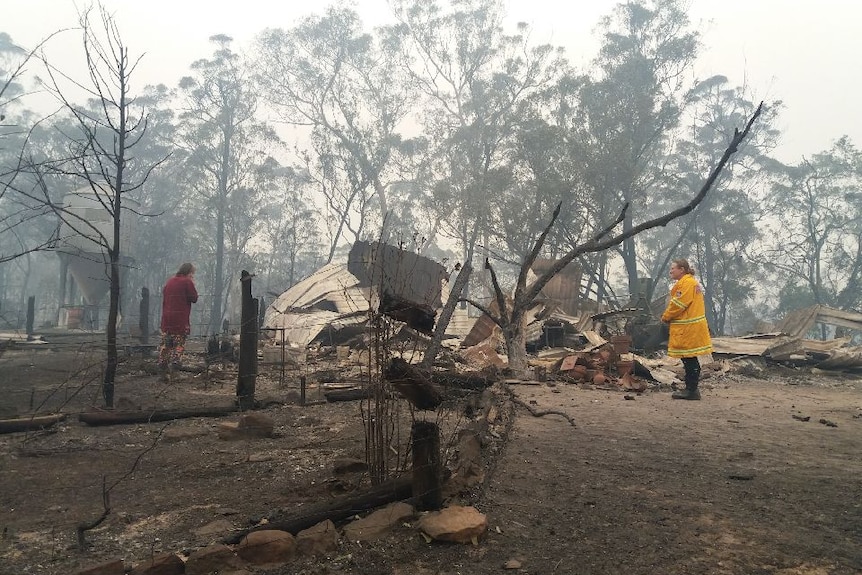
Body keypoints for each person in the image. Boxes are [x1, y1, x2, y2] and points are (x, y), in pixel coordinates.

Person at [660, 258, 712, 400]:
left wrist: (665, 316)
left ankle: (692, 390)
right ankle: (691, 389)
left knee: (690, 359)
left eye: (673, 268)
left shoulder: (687, 283)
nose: (670, 271)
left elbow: (678, 304)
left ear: (681, 269)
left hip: (688, 328)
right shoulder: (688, 283)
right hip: (688, 327)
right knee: (688, 358)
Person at [159, 263, 198, 378]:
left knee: (166, 345)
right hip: (180, 320)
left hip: (167, 320)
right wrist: (192, 284)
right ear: (189, 272)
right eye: (192, 273)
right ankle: (174, 372)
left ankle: (163, 369)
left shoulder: (170, 281)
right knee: (178, 345)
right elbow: (194, 298)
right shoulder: (187, 282)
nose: (193, 276)